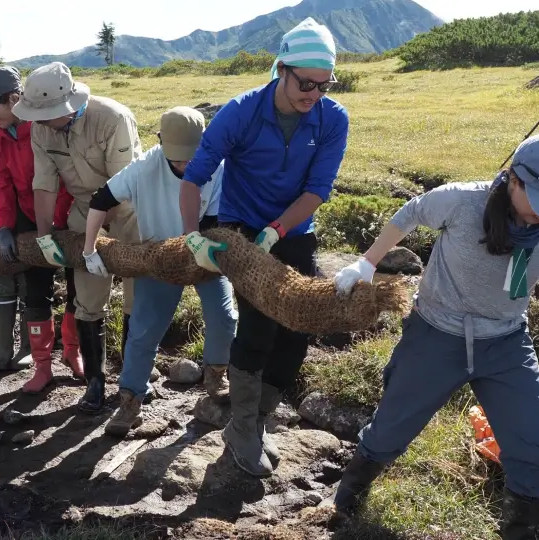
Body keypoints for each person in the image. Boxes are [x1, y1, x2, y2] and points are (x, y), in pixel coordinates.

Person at [325, 133, 539, 539]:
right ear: (515, 181)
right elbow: (411, 212)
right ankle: (344, 506)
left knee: (534, 453)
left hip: (505, 341)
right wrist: (366, 263)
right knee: (389, 432)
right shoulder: (463, 201)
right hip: (435, 332)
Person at [179, 17, 349, 478]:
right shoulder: (241, 112)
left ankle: (256, 419)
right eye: (305, 82)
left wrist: (277, 230)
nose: (313, 93)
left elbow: (317, 188)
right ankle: (241, 427)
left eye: (324, 83)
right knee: (257, 326)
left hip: (292, 228)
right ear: (281, 69)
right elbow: (195, 176)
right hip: (240, 225)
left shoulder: (332, 118)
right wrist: (194, 235)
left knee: (297, 329)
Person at [82, 106, 237, 435]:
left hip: (207, 255)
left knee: (224, 317)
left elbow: (216, 222)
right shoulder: (144, 167)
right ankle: (130, 401)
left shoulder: (219, 167)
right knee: (142, 331)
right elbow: (100, 201)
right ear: (161, 143)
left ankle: (216, 375)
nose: (183, 165)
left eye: (189, 157)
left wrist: (205, 251)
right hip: (161, 257)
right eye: (176, 158)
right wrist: (89, 247)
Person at [12, 61, 141, 413]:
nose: (37, 121)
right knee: (87, 299)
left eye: (45, 114)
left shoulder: (113, 118)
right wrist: (43, 237)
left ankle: (131, 381)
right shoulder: (41, 129)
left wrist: (94, 240)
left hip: (128, 210)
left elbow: (122, 186)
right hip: (83, 211)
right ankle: (95, 383)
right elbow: (44, 183)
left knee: (135, 298)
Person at [0, 65, 81, 387]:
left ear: (14, 98)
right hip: (27, 216)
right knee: (36, 291)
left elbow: (64, 176)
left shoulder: (42, 123)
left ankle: (73, 352)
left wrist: (60, 224)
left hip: (67, 211)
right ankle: (42, 366)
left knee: (78, 288)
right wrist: (5, 226)